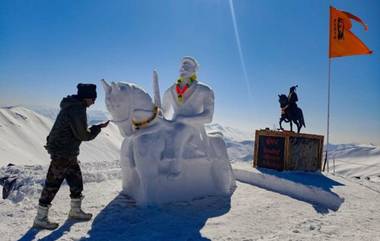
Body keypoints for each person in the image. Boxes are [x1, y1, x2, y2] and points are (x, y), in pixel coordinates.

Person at [33, 83, 109, 230]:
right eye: (93, 98)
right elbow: (83, 135)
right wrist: (97, 128)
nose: (94, 102)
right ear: (86, 97)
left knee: (76, 181)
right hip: (62, 152)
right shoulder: (77, 109)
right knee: (52, 184)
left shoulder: (74, 106)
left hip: (68, 152)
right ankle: (40, 218)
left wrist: (96, 127)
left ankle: (75, 211)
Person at [162, 56, 215, 158]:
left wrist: (185, 120)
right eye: (182, 66)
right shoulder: (169, 91)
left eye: (187, 66)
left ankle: (175, 168)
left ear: (194, 70)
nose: (183, 68)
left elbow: (208, 117)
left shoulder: (205, 90)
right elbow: (163, 113)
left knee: (179, 136)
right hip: (173, 126)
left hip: (194, 128)